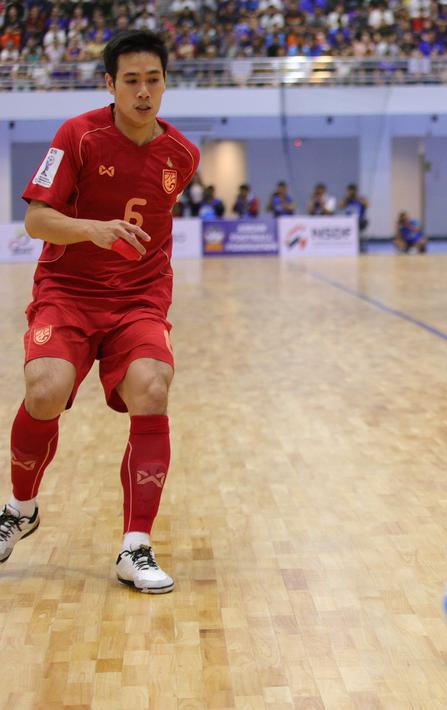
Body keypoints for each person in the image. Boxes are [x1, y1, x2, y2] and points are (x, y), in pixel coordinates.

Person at [1, 30, 200, 593]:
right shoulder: (77, 135)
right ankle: (20, 509)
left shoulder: (183, 154)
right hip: (67, 290)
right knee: (44, 389)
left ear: (165, 82)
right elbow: (37, 220)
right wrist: (94, 230)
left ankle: (134, 547)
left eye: (153, 80)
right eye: (131, 81)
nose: (143, 92)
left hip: (138, 299)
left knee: (153, 387)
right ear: (110, 84)